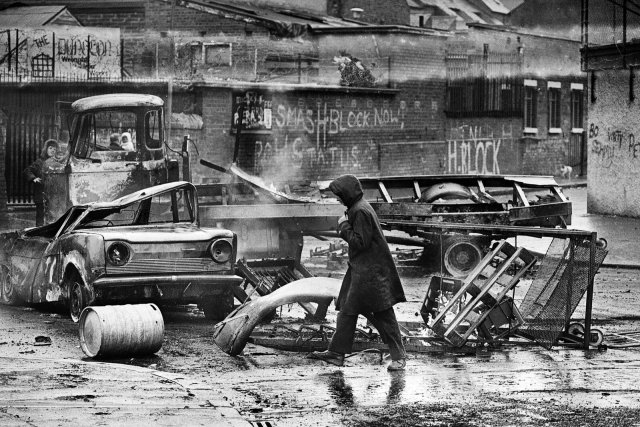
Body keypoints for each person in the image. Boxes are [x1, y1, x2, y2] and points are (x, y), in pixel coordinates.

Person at [308, 174, 407, 371]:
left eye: (339, 195)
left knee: (383, 314)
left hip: (371, 274)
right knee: (347, 309)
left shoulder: (360, 211)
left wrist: (343, 225)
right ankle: (336, 353)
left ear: (347, 193)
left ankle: (399, 357)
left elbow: (360, 242)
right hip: (363, 271)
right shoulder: (358, 207)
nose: (338, 199)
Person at [24, 139, 58, 226]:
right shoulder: (39, 162)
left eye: (54, 149)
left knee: (53, 217)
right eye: (50, 148)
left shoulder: (57, 162)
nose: (52, 151)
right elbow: (27, 170)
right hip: (41, 194)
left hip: (52, 195)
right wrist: (34, 178)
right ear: (46, 149)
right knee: (41, 218)